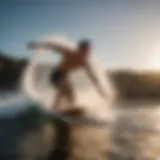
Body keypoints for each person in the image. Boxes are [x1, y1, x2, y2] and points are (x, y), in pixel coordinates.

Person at [28, 39, 106, 111]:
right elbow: (54, 47)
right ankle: (54, 108)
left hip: (64, 77)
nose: (88, 53)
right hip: (56, 75)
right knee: (64, 88)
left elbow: (93, 77)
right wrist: (37, 45)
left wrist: (100, 89)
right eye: (86, 50)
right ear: (80, 49)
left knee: (72, 97)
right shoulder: (69, 53)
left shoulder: (85, 63)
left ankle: (65, 109)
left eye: (89, 50)